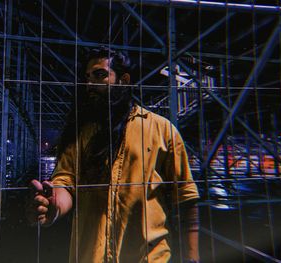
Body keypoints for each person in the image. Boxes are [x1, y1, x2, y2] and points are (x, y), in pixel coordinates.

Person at [28, 47, 200, 263]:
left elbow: (185, 198)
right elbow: (65, 182)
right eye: (88, 77)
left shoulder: (161, 130)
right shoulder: (81, 134)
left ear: (123, 80)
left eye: (100, 75)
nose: (90, 84)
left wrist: (192, 257)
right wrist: (55, 206)